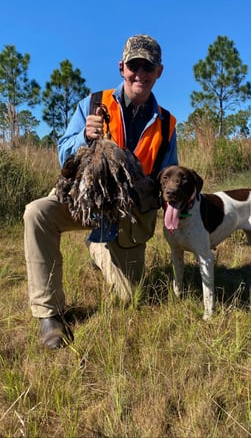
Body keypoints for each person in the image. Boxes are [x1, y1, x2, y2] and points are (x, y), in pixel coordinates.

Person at [24, 34, 178, 350]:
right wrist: (83, 136)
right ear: (122, 68)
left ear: (159, 72)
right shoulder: (93, 103)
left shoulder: (166, 124)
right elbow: (63, 153)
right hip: (85, 199)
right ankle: (49, 315)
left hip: (126, 211)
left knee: (130, 298)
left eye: (148, 67)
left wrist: (175, 207)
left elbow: (168, 174)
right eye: (134, 66)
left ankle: (97, 248)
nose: (140, 74)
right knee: (37, 213)